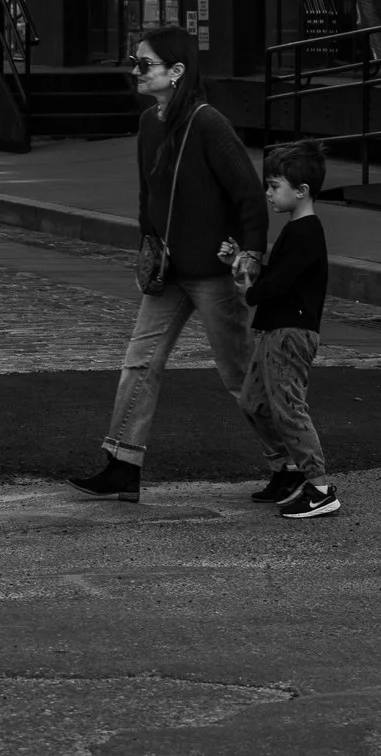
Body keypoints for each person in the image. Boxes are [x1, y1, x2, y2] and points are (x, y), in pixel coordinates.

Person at [72, 27, 265, 501]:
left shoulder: (208, 123)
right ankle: (123, 464)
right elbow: (148, 193)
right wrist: (148, 244)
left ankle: (295, 464)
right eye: (134, 62)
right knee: (139, 362)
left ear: (177, 71)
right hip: (169, 274)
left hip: (215, 275)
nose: (135, 71)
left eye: (145, 64)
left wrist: (251, 255)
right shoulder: (149, 124)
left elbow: (249, 197)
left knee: (239, 375)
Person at [236, 140, 338, 519]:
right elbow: (277, 278)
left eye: (274, 186)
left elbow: (276, 286)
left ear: (301, 191)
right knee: (255, 403)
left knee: (288, 407)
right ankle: (289, 470)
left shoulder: (307, 232)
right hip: (274, 329)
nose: (268, 194)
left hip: (291, 332)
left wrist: (251, 289)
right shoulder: (295, 230)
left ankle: (320, 487)